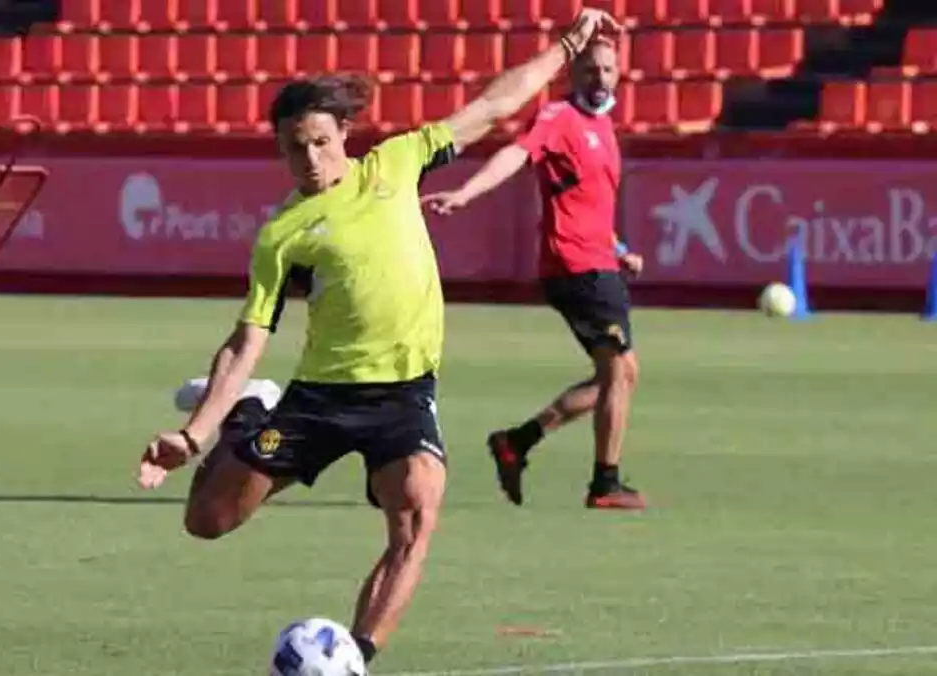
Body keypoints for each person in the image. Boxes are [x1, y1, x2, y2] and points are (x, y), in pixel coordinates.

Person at [136, 8, 621, 667]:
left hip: (403, 397)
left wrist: (566, 48)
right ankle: (256, 407)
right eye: (292, 147)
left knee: (415, 521)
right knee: (208, 521)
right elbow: (244, 340)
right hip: (320, 398)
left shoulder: (396, 162)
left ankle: (355, 657)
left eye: (318, 141)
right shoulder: (283, 235)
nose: (308, 158)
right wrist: (193, 437)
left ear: (344, 133)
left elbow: (492, 105)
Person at [421, 38, 646, 511]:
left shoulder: (602, 126)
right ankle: (605, 483)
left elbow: (590, 204)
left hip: (599, 260)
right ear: (572, 75)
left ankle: (518, 441)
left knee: (622, 375)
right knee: (617, 373)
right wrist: (466, 192)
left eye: (607, 70)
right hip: (574, 264)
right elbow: (517, 155)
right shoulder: (558, 118)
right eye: (590, 70)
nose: (600, 78)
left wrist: (619, 248)